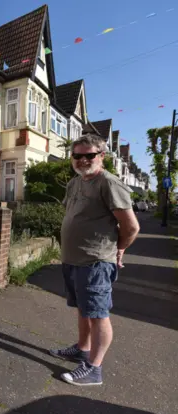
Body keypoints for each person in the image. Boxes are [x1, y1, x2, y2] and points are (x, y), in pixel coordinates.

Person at [49, 134, 139, 386]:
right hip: (73, 259)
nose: (82, 160)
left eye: (89, 155)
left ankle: (94, 369)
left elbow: (131, 227)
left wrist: (119, 250)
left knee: (99, 314)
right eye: (77, 155)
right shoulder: (75, 183)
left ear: (102, 156)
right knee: (83, 309)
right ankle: (82, 348)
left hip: (96, 261)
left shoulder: (109, 183)